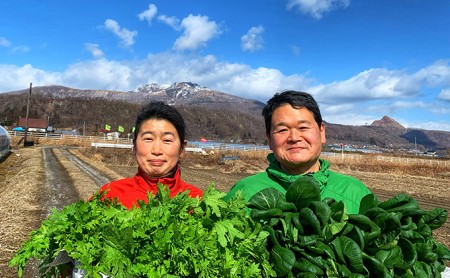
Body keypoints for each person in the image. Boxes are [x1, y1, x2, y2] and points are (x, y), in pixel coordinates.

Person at [225, 90, 371, 214]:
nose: (294, 138)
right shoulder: (244, 193)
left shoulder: (355, 193)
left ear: (322, 132)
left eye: (303, 128)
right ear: (269, 138)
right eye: (282, 130)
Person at [97, 101, 203, 209]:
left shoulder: (199, 202)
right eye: (148, 139)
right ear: (134, 146)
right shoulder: (108, 196)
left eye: (167, 140)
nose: (157, 150)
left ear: (182, 149)